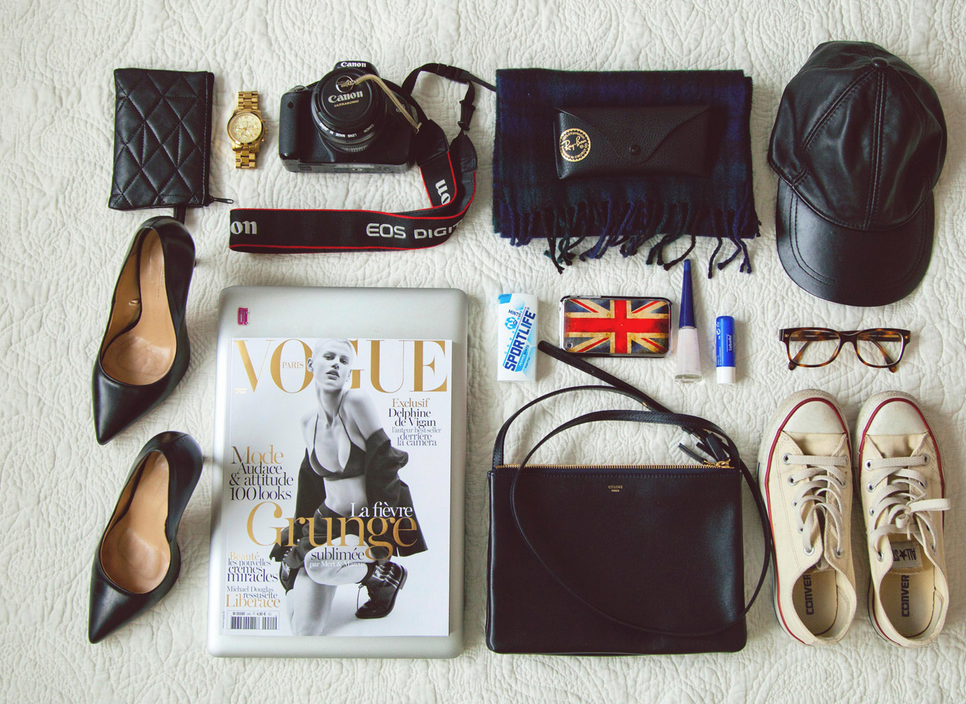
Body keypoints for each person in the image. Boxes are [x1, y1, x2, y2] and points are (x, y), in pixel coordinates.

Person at [269, 338, 427, 635]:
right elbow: (310, 482)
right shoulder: (307, 422)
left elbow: (385, 465)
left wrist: (382, 531)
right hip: (326, 522)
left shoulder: (356, 402)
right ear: (311, 364)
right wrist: (296, 532)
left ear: (348, 374)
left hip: (364, 523)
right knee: (305, 631)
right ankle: (310, 571)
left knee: (317, 564)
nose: (335, 364)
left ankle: (383, 575)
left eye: (343, 361)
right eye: (329, 357)